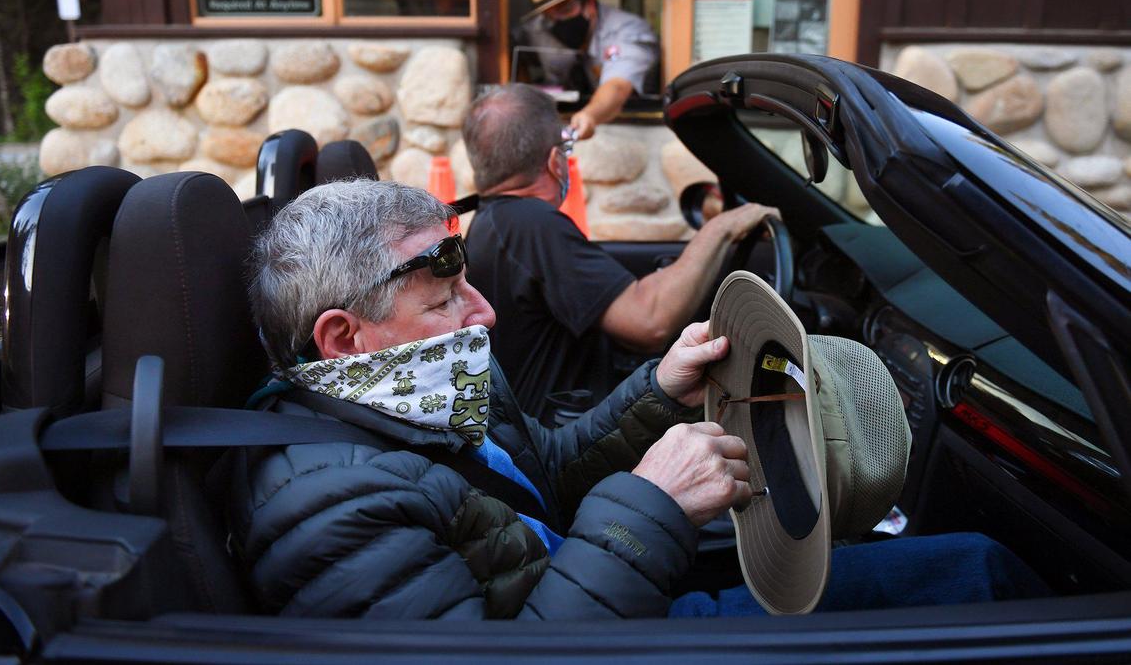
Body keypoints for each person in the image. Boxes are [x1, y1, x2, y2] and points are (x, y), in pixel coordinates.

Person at [229, 179, 1048, 620]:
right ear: (341, 338)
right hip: (618, 633)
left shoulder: (415, 395)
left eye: (467, 285)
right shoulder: (328, 502)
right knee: (975, 574)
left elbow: (539, 481)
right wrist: (651, 503)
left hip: (603, 587)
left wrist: (656, 392)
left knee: (932, 555)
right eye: (442, 301)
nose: (479, 315)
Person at [463, 83, 779, 404]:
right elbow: (650, 321)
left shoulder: (494, 223)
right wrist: (723, 228)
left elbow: (618, 298)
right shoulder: (532, 224)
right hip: (565, 442)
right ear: (553, 161)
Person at [519, 0, 659, 139]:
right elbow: (516, 52)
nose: (559, 21)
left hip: (629, 131)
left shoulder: (628, 30)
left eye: (566, 9)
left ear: (590, 4)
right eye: (550, 16)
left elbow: (618, 86)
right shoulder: (540, 29)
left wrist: (589, 116)